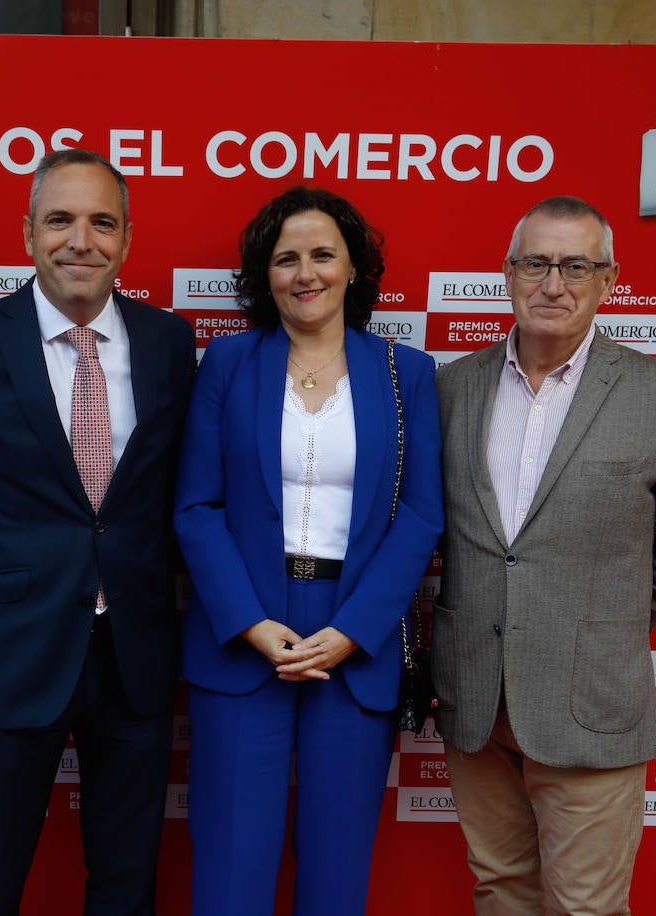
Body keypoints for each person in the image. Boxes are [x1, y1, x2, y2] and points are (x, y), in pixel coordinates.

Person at [0, 148, 196, 915]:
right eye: (60, 219)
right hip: (16, 649)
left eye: (103, 222)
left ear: (128, 238)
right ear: (29, 232)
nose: (82, 240)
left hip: (133, 655)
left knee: (127, 878)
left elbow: (175, 491)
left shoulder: (170, 344)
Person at [433, 195, 656, 915]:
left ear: (609, 281)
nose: (553, 284)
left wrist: (609, 621)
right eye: (535, 262)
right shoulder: (451, 388)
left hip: (590, 705)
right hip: (476, 699)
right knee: (499, 890)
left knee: (585, 908)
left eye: (575, 266)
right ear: (509, 273)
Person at [174, 186, 444, 916]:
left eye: (323, 254)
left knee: (336, 871)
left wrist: (355, 630)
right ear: (264, 274)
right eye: (285, 258)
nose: (305, 273)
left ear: (354, 268)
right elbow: (196, 507)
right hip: (242, 634)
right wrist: (251, 625)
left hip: (354, 640)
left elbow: (421, 517)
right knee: (231, 868)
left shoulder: (405, 373)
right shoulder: (227, 365)